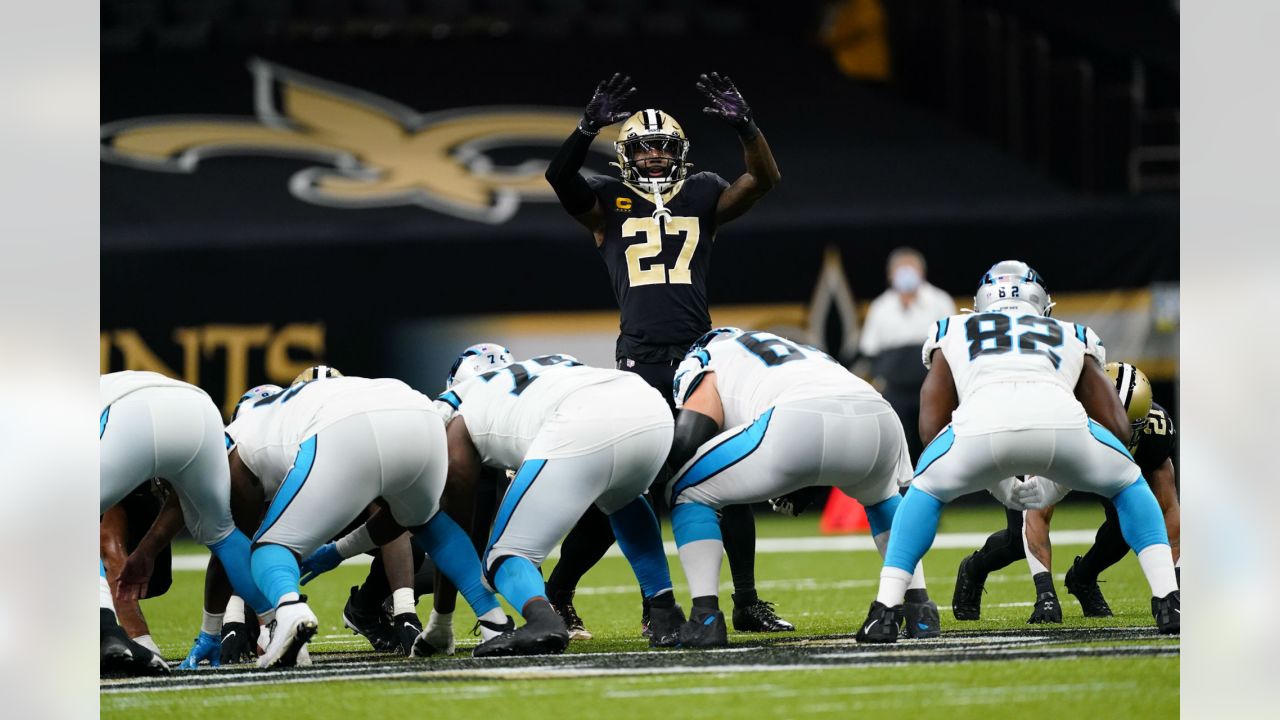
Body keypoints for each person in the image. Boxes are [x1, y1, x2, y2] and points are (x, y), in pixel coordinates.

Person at [542, 71, 789, 639]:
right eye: (645, 148)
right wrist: (585, 128)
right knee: (626, 484)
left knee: (724, 473)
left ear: (680, 153)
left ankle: (747, 599)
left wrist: (747, 127)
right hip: (640, 360)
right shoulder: (605, 199)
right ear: (627, 155)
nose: (654, 157)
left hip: (698, 357)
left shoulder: (702, 191)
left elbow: (763, 179)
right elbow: (559, 177)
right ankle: (562, 590)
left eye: (664, 148)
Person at [854, 260, 1181, 642]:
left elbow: (931, 426)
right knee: (1128, 481)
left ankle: (886, 610)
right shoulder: (1072, 332)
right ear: (1041, 303)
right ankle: (1168, 599)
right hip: (1062, 422)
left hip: (979, 424)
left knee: (925, 488)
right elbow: (1116, 426)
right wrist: (1067, 471)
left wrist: (994, 479)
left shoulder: (953, 327)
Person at [665, 328, 940, 647]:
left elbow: (691, 435)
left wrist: (654, 475)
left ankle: (705, 617)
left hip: (798, 419)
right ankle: (920, 609)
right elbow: (832, 428)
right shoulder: (801, 351)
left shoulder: (705, 357)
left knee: (686, 490)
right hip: (878, 413)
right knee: (882, 498)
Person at [224, 375, 512, 668]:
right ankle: (494, 622)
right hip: (421, 414)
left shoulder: (237, 438)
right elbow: (396, 521)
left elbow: (229, 535)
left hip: (345, 427)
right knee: (428, 523)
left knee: (267, 546)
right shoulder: (298, 407)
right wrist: (335, 553)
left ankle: (288, 613)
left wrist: (217, 628)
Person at [432, 347, 684, 656]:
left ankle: (542, 619)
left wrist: (440, 616)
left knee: (501, 556)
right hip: (650, 409)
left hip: (579, 423)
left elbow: (457, 513)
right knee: (623, 499)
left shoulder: (455, 407)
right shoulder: (547, 364)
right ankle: (664, 611)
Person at [952, 361, 1179, 621]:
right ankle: (974, 568)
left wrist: (1174, 588)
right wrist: (1045, 593)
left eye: (1124, 427)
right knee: (1017, 541)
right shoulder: (1057, 426)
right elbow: (1037, 516)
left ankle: (1082, 577)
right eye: (1107, 425)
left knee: (1124, 527)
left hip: (1094, 458)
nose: (1115, 434)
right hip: (1048, 447)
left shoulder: (1155, 433)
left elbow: (1169, 511)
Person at [101, 370, 274, 676]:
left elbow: (106, 544)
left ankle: (106, 633)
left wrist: (142, 642)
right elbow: (182, 500)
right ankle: (278, 626)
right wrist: (145, 552)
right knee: (222, 534)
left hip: (128, 414)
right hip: (199, 408)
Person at [857, 248, 957, 461]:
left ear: (922, 272)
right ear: (890, 275)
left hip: (933, 386)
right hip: (895, 391)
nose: (906, 274)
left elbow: (952, 344)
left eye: (911, 269)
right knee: (899, 445)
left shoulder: (940, 301)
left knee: (934, 440)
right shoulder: (880, 307)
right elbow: (869, 350)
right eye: (900, 270)